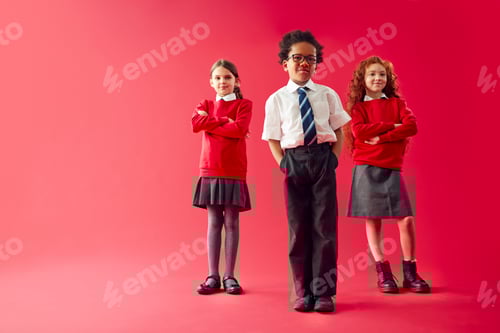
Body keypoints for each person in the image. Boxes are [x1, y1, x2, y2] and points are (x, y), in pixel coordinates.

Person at [262, 30, 351, 312]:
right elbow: (272, 136)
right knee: (298, 229)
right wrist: (283, 163)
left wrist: (333, 159)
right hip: (294, 161)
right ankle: (303, 292)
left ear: (316, 64)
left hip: (323, 159)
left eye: (309, 59)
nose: (303, 64)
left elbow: (339, 128)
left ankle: (323, 293)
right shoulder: (276, 99)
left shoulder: (327, 94)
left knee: (324, 228)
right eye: (297, 58)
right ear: (284, 63)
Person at [345, 55, 430, 294]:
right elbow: (359, 131)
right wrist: (392, 126)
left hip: (391, 168)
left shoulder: (398, 104)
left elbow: (411, 127)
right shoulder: (358, 108)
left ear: (388, 78)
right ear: (362, 79)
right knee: (373, 219)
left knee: (406, 219)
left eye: (382, 74)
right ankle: (383, 273)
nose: (377, 78)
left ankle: (410, 273)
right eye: (372, 74)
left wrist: (382, 136)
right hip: (366, 166)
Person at [192, 59, 252, 295]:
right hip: (209, 168)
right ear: (211, 82)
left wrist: (211, 123)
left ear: (236, 81)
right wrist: (222, 121)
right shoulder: (205, 103)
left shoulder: (244, 104)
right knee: (213, 222)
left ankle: (230, 276)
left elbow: (239, 129)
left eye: (227, 77)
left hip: (234, 169)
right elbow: (196, 124)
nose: (222, 82)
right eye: (217, 78)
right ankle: (212, 276)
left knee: (232, 222)